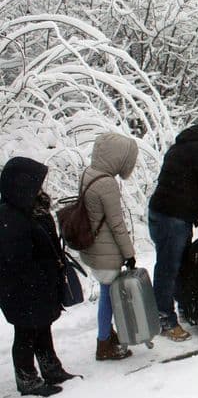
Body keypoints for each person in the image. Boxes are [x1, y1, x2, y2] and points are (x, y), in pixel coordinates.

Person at [0, 157, 76, 397]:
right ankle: (27, 379)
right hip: (23, 288)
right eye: (36, 183)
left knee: (42, 327)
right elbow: (16, 259)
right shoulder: (10, 217)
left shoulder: (31, 209)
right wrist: (40, 277)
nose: (41, 188)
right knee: (26, 332)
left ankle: (51, 368)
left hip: (39, 284)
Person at [148, 117, 198, 341]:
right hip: (174, 217)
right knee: (170, 267)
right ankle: (165, 318)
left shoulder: (178, 147)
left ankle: (183, 307)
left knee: (175, 263)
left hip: (159, 212)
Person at [78, 133, 138, 360]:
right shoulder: (107, 183)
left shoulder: (89, 173)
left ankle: (107, 335)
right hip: (106, 251)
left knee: (107, 292)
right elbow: (117, 224)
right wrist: (129, 254)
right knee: (109, 295)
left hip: (93, 247)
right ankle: (104, 343)